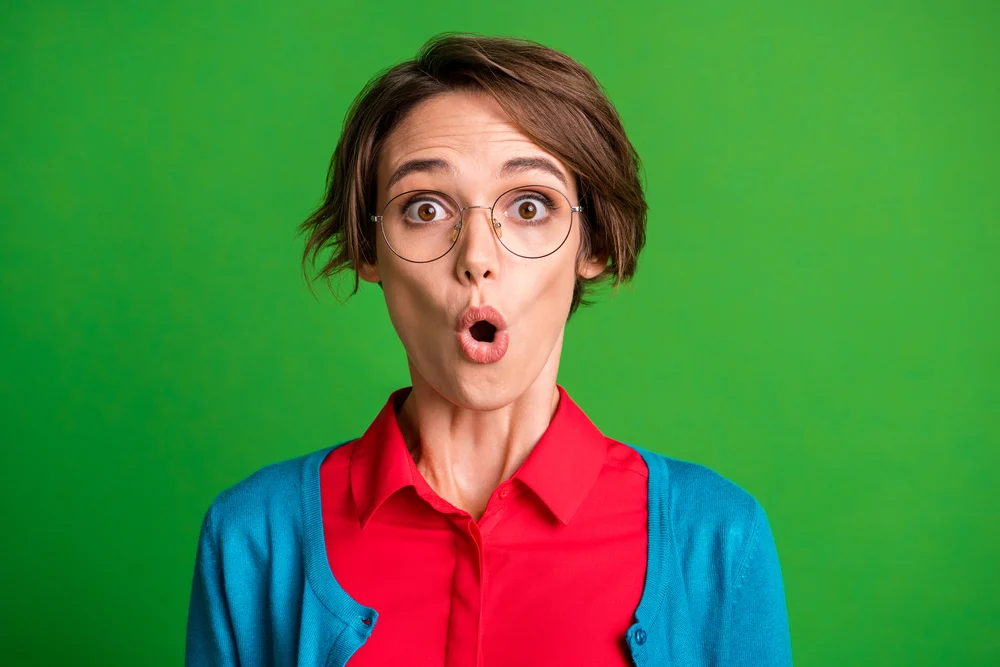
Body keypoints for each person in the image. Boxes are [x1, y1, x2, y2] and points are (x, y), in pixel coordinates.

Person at [184, 33, 793, 666]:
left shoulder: (716, 539)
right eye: (425, 208)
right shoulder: (254, 539)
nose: (477, 257)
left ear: (594, 244)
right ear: (370, 251)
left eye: (531, 206)